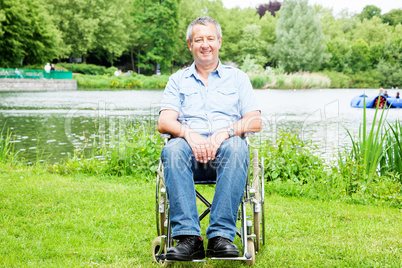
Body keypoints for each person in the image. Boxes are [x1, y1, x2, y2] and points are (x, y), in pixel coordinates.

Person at [158, 16, 262, 261]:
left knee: (237, 146)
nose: (205, 44)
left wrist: (224, 133)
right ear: (190, 44)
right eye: (199, 39)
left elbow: (255, 120)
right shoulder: (177, 80)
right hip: (187, 158)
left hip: (227, 158)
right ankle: (188, 239)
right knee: (173, 149)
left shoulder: (238, 79)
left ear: (219, 42)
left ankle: (220, 237)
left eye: (210, 39)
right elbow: (164, 122)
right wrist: (188, 134)